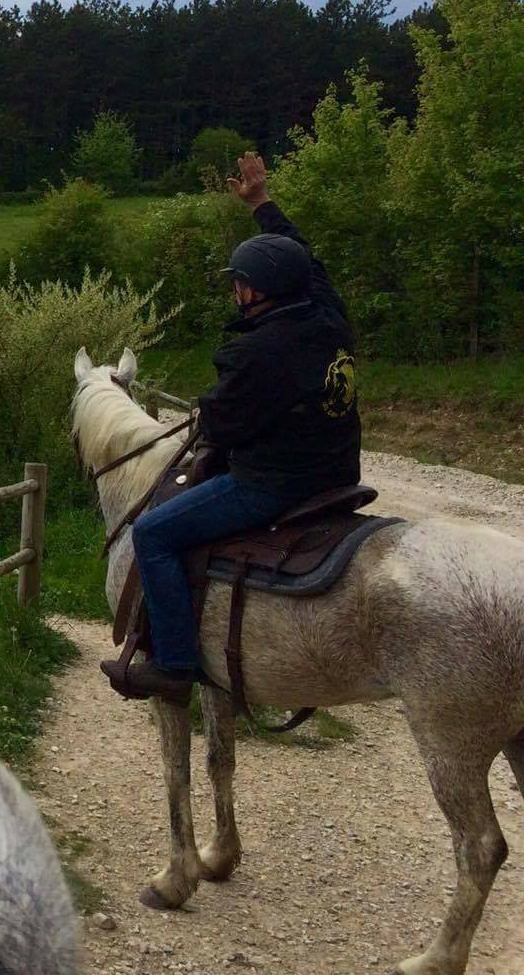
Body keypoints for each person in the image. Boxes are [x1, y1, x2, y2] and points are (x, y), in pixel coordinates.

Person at [101, 151, 362, 702]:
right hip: (337, 471)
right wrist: (263, 204)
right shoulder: (329, 316)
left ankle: (173, 663)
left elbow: (221, 425)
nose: (234, 292)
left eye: (239, 282)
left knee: (153, 533)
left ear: (256, 290)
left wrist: (208, 406)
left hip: (274, 484)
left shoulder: (256, 351)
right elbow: (306, 258)